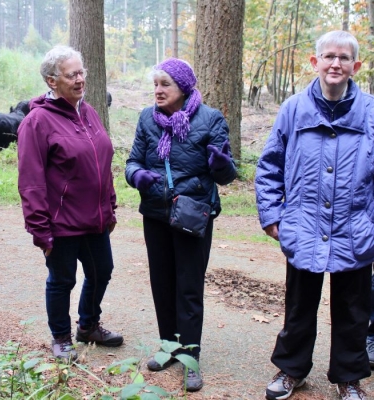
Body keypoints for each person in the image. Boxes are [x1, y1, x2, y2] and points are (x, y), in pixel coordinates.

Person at [255, 30, 374, 400]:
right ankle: (291, 370)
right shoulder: (293, 108)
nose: (335, 63)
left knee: (354, 311)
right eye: (328, 56)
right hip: (304, 226)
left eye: (343, 58)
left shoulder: (370, 111)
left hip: (355, 227)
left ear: (355, 66)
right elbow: (270, 165)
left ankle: (349, 378)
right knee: (299, 306)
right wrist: (273, 214)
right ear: (315, 62)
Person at [125, 58, 237, 392]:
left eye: (165, 85)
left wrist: (222, 164)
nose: (157, 91)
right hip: (156, 214)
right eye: (155, 84)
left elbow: (228, 176)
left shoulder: (210, 119)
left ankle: (190, 357)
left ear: (183, 88)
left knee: (188, 287)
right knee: (162, 283)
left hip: (191, 215)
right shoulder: (148, 118)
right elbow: (132, 161)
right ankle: (169, 346)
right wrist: (137, 176)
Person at [17, 45, 123, 361]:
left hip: (95, 219)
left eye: (81, 72)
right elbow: (31, 182)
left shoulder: (88, 112)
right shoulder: (37, 122)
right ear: (52, 81)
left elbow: (102, 161)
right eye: (71, 75)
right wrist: (40, 230)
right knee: (63, 280)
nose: (80, 80)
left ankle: (88, 326)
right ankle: (61, 338)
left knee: (102, 271)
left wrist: (110, 205)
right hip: (61, 223)